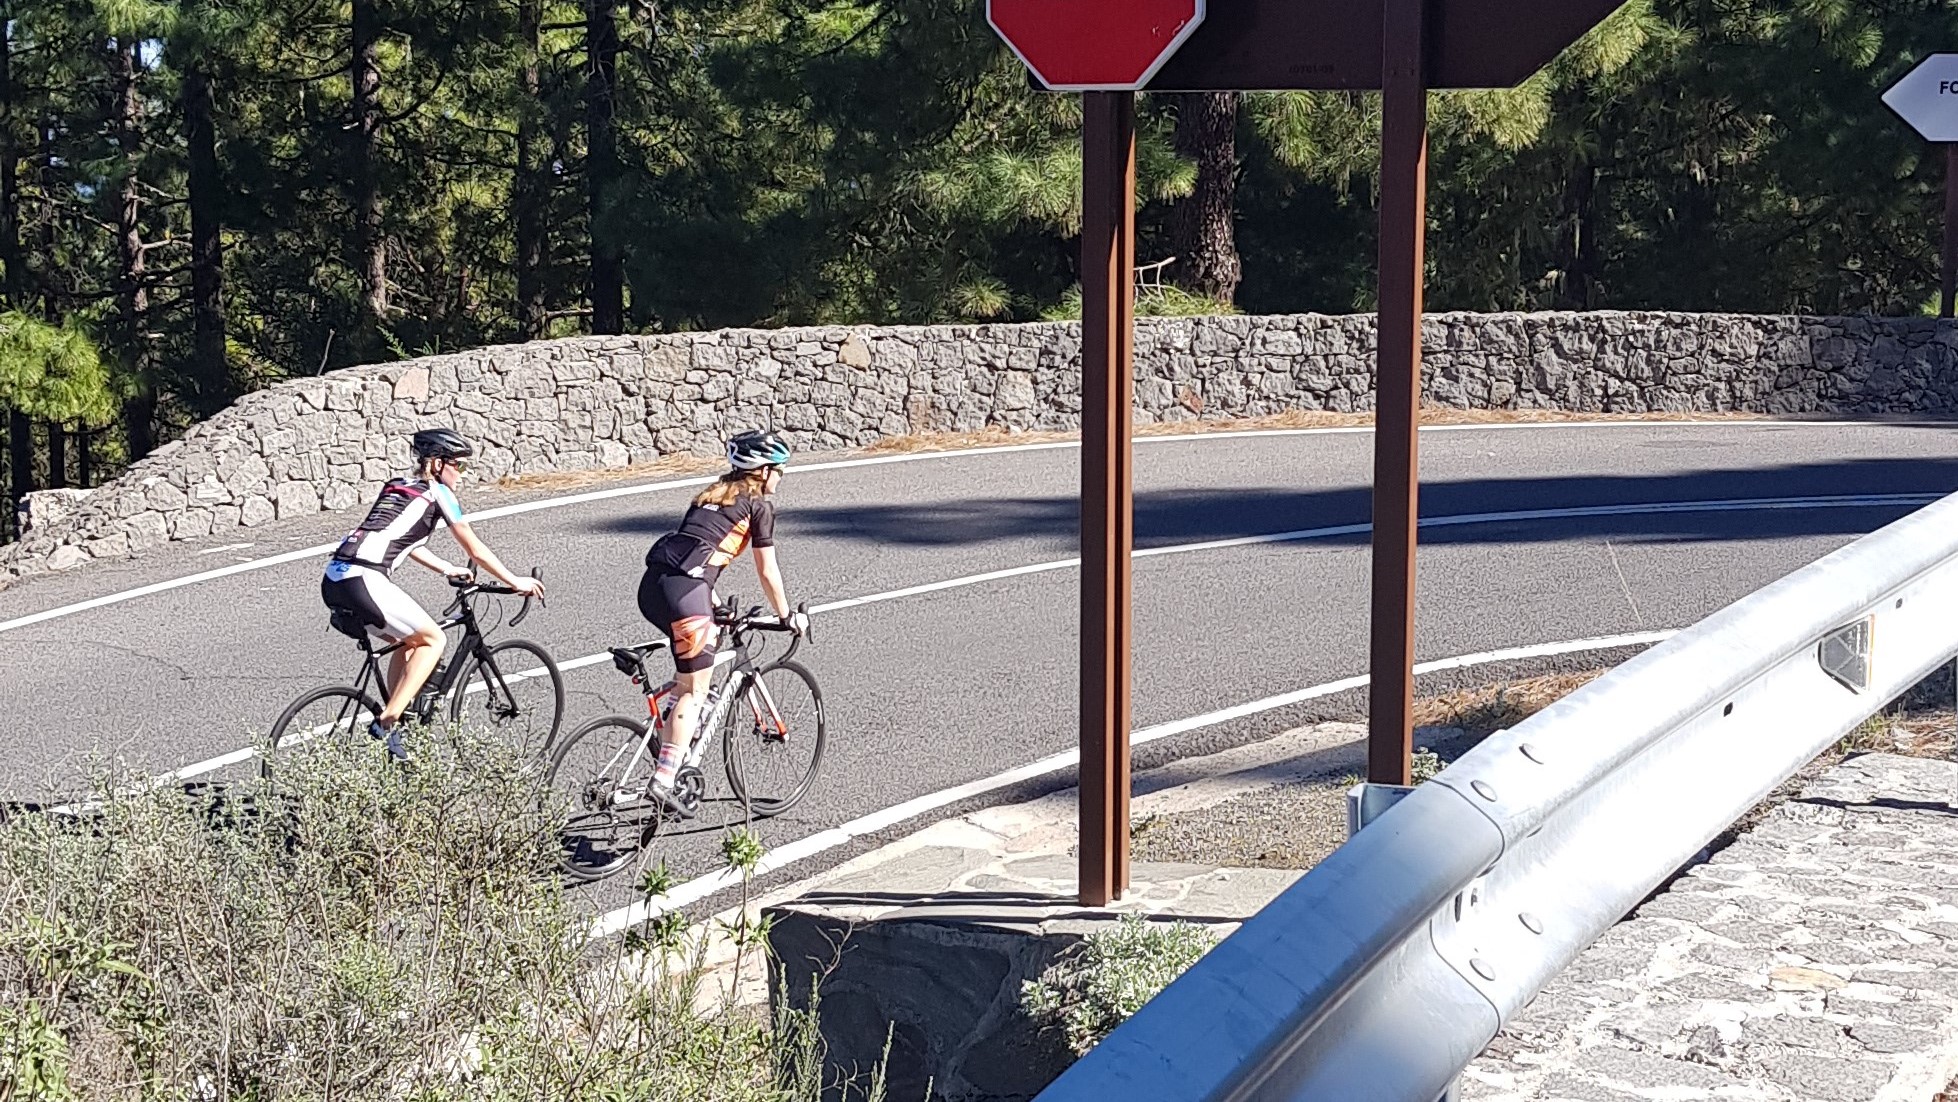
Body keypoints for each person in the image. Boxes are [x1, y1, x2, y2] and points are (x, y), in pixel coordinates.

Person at [320, 427, 544, 755]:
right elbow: (475, 548)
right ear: (438, 464)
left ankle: (395, 722)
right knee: (434, 640)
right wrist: (515, 581)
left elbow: (402, 539)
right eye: (459, 465)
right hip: (365, 578)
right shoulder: (439, 493)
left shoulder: (396, 485)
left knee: (406, 640)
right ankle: (388, 723)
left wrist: (446, 567)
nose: (462, 474)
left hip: (334, 579)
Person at [637, 428, 808, 814]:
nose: (781, 477)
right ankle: (664, 779)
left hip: (654, 588)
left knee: (691, 673)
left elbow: (696, 553)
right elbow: (767, 571)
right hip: (686, 595)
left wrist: (714, 604)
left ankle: (674, 736)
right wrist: (786, 615)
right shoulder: (757, 507)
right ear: (763, 471)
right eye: (780, 470)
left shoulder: (708, 497)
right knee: (694, 692)